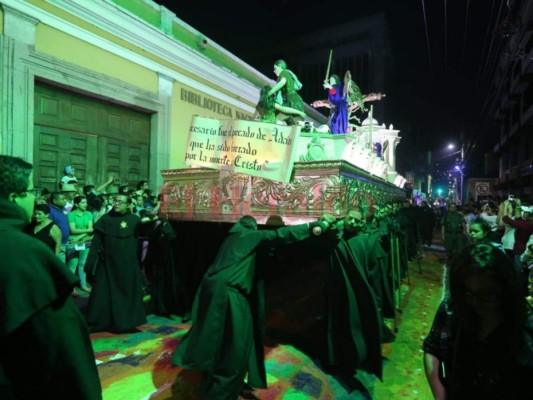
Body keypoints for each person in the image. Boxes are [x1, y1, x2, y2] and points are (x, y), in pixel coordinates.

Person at [172, 214, 333, 400]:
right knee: (235, 346)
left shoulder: (232, 238)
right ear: (252, 227)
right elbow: (279, 235)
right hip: (229, 296)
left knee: (220, 343)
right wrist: (315, 227)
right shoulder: (248, 235)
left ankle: (221, 385)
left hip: (217, 295)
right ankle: (221, 393)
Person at [0, 155, 102, 399]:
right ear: (15, 197)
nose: (35, 197)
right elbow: (65, 350)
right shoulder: (23, 253)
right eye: (30, 190)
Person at [423, 243, 533, 399]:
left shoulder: (525, 328)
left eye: (487, 295)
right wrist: (440, 393)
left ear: (505, 289)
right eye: (468, 293)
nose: (475, 302)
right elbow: (432, 348)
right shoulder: (451, 308)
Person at [85, 193, 147, 332]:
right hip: (108, 264)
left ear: (129, 204)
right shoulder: (105, 219)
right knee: (104, 292)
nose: (116, 204)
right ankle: (103, 321)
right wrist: (92, 261)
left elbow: (141, 240)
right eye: (115, 201)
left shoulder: (135, 220)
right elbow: (97, 242)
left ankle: (127, 321)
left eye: (120, 201)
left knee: (128, 291)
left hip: (128, 265)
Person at [67, 195, 94, 293]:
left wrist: (79, 236)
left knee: (82, 263)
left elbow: (91, 229)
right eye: (83, 202)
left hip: (85, 241)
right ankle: (71, 287)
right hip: (73, 242)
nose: (85, 204)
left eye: (86, 202)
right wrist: (86, 231)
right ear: (76, 204)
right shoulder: (71, 215)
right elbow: (73, 230)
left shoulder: (89, 214)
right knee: (73, 264)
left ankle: (83, 285)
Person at [267, 59, 305, 125]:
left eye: (275, 68)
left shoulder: (283, 72)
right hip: (293, 100)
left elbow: (282, 82)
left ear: (279, 66)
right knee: (291, 124)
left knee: (278, 119)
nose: (274, 71)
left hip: (292, 101)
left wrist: (269, 93)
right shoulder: (288, 74)